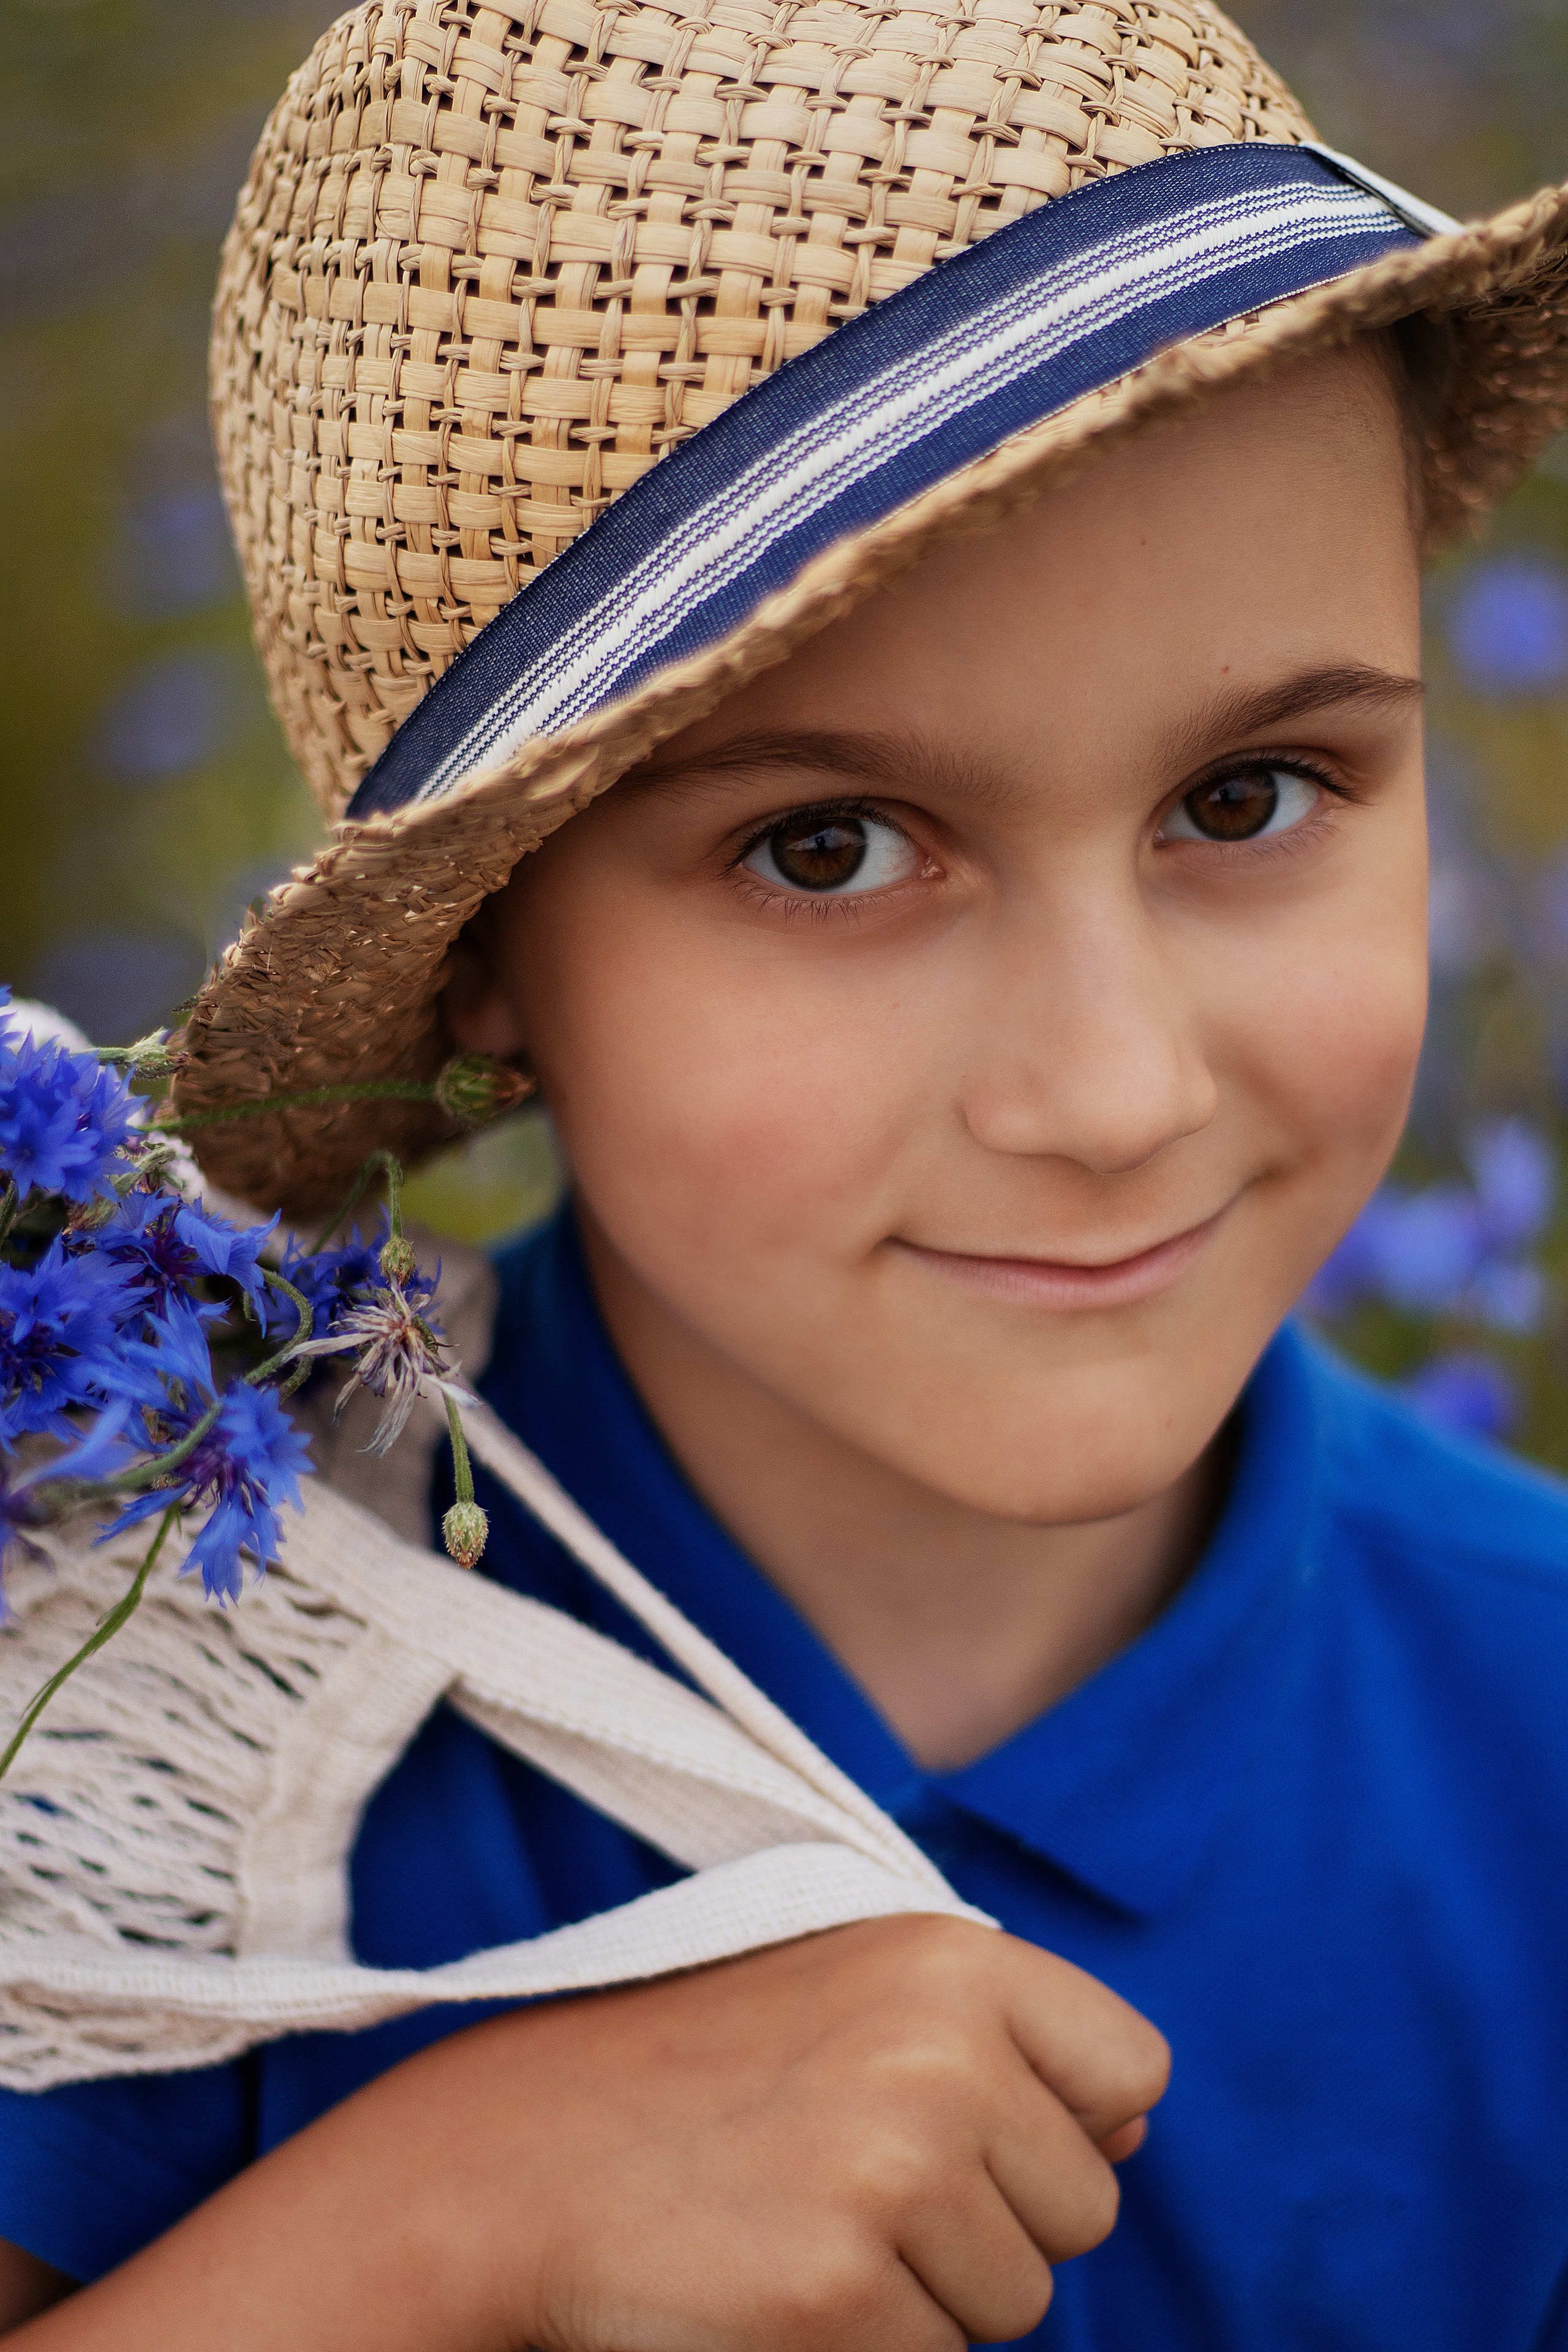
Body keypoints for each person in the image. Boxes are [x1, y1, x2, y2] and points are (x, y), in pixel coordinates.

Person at [2, 1, 1567, 2343]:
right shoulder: (149, 1731)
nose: (1117, 1090)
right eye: (828, 848)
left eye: (1247, 798)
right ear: (489, 963)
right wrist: (443, 2217)